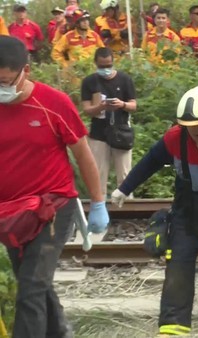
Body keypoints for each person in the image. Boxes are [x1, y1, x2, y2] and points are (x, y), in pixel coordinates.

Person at [111, 85, 198, 335]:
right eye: (188, 125)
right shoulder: (175, 138)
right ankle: (173, 327)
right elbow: (149, 162)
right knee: (177, 269)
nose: (193, 131)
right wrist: (124, 188)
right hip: (186, 215)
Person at [0, 35, 109, 338]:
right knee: (34, 282)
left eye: (7, 82)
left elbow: (84, 155)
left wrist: (98, 202)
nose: (2, 89)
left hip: (52, 209)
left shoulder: (53, 104)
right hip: (10, 214)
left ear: (26, 70)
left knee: (31, 287)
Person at [80, 47, 137, 197]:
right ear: (95, 64)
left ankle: (127, 208)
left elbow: (133, 105)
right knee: (98, 175)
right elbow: (86, 109)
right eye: (102, 66)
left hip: (121, 131)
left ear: (113, 62)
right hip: (99, 134)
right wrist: (100, 107)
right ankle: (100, 209)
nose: (105, 69)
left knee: (125, 175)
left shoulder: (124, 79)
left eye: (108, 65)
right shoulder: (89, 82)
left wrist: (122, 104)